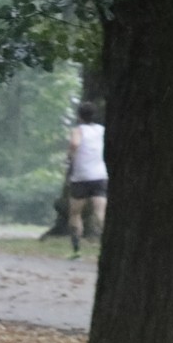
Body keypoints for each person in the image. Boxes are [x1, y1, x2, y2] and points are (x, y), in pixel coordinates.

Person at [65, 100, 107, 260]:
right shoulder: (101, 130)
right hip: (100, 176)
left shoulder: (78, 130)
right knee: (100, 212)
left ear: (79, 116)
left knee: (75, 213)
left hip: (81, 177)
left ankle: (76, 250)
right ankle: (106, 245)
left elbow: (75, 143)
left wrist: (70, 156)